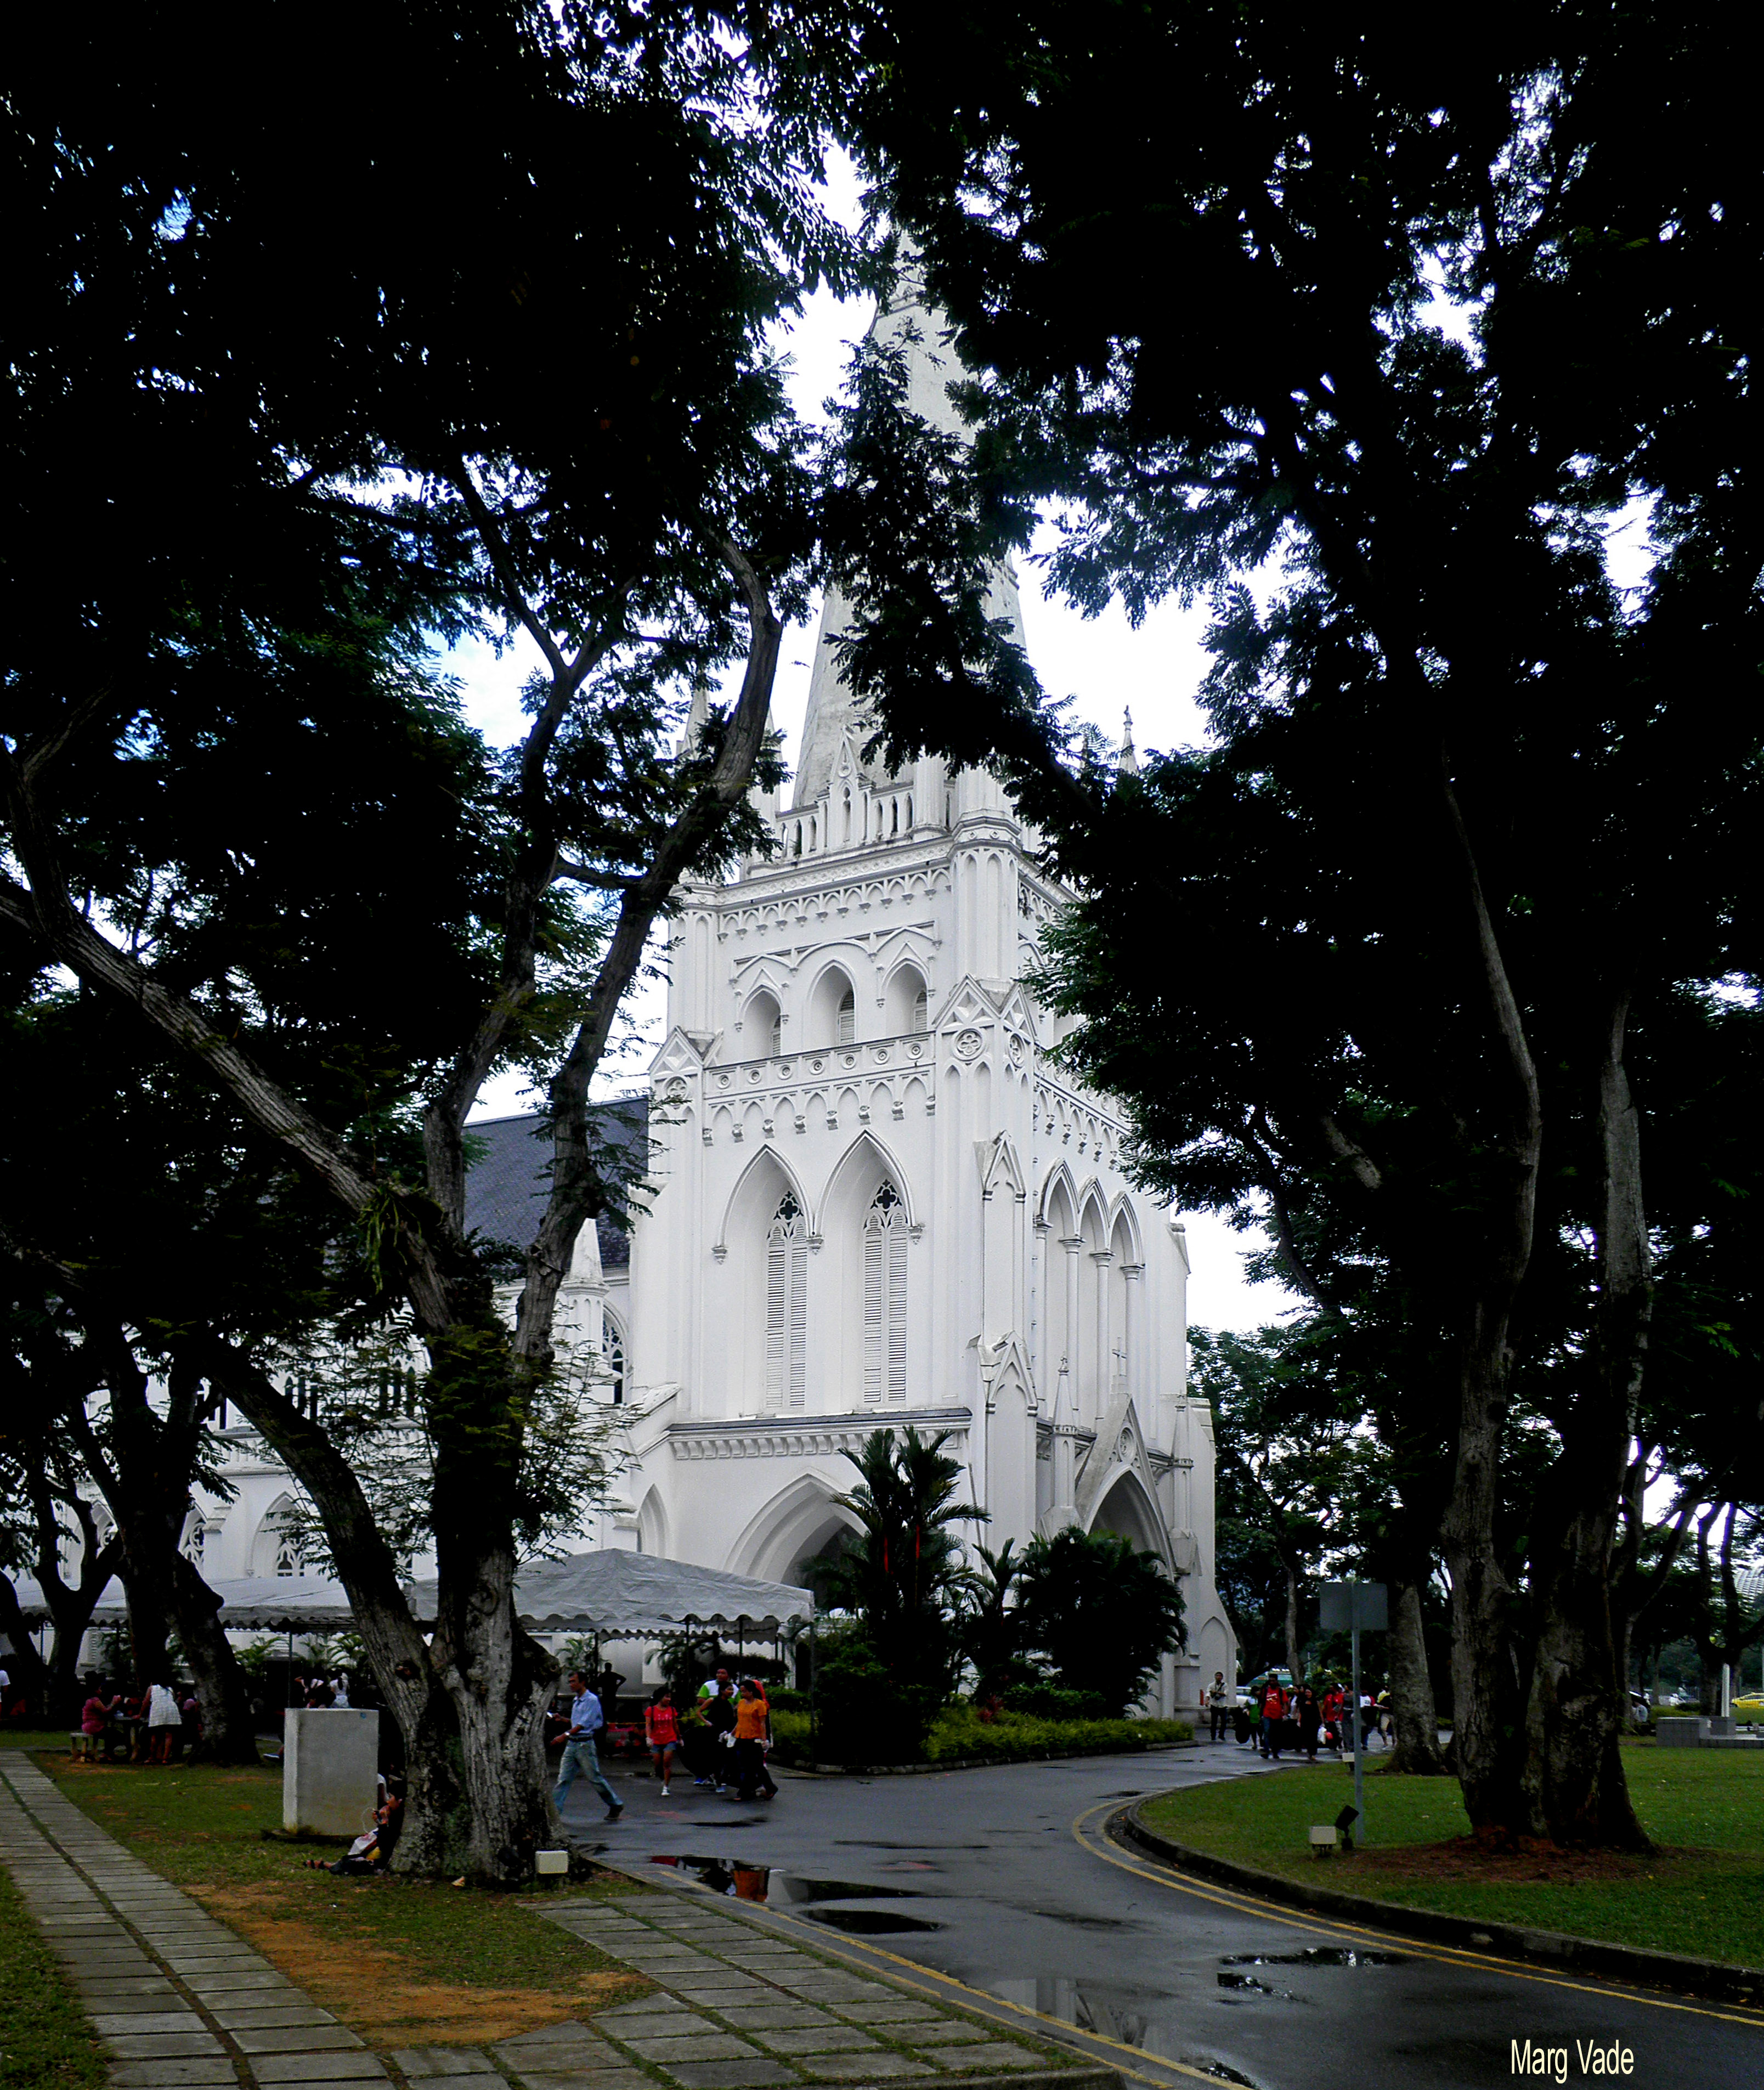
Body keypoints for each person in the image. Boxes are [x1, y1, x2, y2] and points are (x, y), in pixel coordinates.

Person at [553, 1670, 623, 1821]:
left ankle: (615, 1804)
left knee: (595, 1778)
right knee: (563, 1779)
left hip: (584, 1744)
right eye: (570, 1682)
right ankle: (554, 1813)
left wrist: (564, 1736)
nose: (571, 1685)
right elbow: (576, 1722)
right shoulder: (576, 1700)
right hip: (572, 1745)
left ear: (583, 1682)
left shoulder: (591, 1700)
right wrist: (563, 1720)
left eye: (574, 1681)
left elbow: (583, 1725)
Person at [730, 1677, 774, 1801]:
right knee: (744, 1766)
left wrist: (764, 1740)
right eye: (741, 1692)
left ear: (751, 1692)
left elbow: (762, 1724)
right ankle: (746, 1792)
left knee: (757, 1767)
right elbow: (740, 1721)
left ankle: (768, 1788)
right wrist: (732, 1734)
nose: (743, 1694)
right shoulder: (742, 1704)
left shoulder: (760, 1705)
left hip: (754, 1739)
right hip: (741, 1738)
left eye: (745, 1692)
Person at [645, 1686, 681, 1797]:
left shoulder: (672, 1710)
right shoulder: (651, 1710)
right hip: (656, 1740)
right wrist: (649, 1737)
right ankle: (661, 1777)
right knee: (657, 1764)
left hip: (670, 1739)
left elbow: (675, 1725)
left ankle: (666, 1786)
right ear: (660, 1697)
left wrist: (680, 1738)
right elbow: (649, 1725)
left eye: (670, 1697)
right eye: (667, 1697)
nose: (669, 1700)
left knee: (667, 1762)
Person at [146, 1677, 181, 1765]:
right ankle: (165, 1758)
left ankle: (152, 1757)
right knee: (169, 1735)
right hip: (171, 1711)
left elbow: (146, 1701)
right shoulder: (170, 1690)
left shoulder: (151, 1688)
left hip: (158, 1711)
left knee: (154, 1735)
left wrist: (140, 1713)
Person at [1258, 1674, 1288, 1759]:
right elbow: (1262, 1703)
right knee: (1267, 1733)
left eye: (1273, 1681)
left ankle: (1275, 1752)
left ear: (1277, 1681)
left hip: (1278, 1716)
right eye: (1270, 1681)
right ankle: (1266, 1751)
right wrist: (1261, 1715)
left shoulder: (1281, 1691)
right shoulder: (1266, 1690)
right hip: (1267, 1714)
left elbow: (1285, 1703)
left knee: (1276, 1734)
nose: (1272, 1682)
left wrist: (1285, 1714)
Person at [1293, 1680, 1321, 1761]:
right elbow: (1300, 1712)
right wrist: (1299, 1720)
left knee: (1313, 1738)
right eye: (1306, 1693)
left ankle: (1312, 1753)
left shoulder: (1316, 1702)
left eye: (1309, 1693)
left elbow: (1320, 1712)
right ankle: (1309, 1751)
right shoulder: (1303, 1702)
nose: (1307, 1694)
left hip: (1314, 1722)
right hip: (1305, 1722)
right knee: (1307, 1738)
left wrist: (1322, 1721)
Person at [1208, 1672, 1230, 1743]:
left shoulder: (1225, 1685)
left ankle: (1221, 1734)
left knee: (1224, 1721)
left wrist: (1216, 1692)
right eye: (1217, 1676)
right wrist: (1207, 1700)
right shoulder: (1211, 1685)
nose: (1219, 1677)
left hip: (1222, 1705)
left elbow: (1225, 1694)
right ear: (1215, 1677)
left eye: (1220, 1676)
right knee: (1214, 1721)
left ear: (1222, 1678)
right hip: (1214, 1705)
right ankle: (1213, 1735)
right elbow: (1208, 1693)